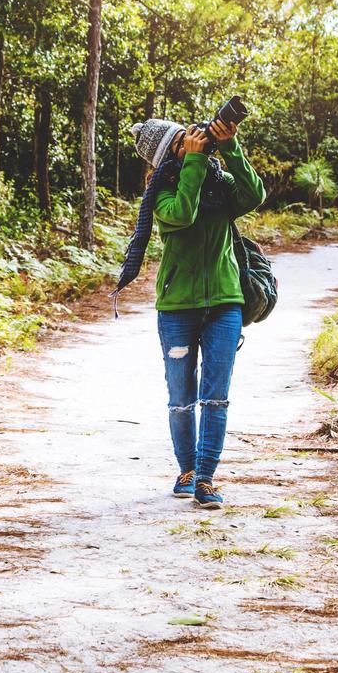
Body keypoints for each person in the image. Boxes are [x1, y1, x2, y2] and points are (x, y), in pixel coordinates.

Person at [126, 115, 265, 509]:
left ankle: (205, 479)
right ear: (167, 155)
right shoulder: (162, 196)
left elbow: (254, 194)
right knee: (181, 398)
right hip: (177, 309)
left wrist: (231, 146)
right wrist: (194, 163)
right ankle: (186, 471)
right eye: (182, 142)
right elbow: (184, 212)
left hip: (225, 303)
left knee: (216, 398)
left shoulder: (219, 186)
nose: (194, 143)